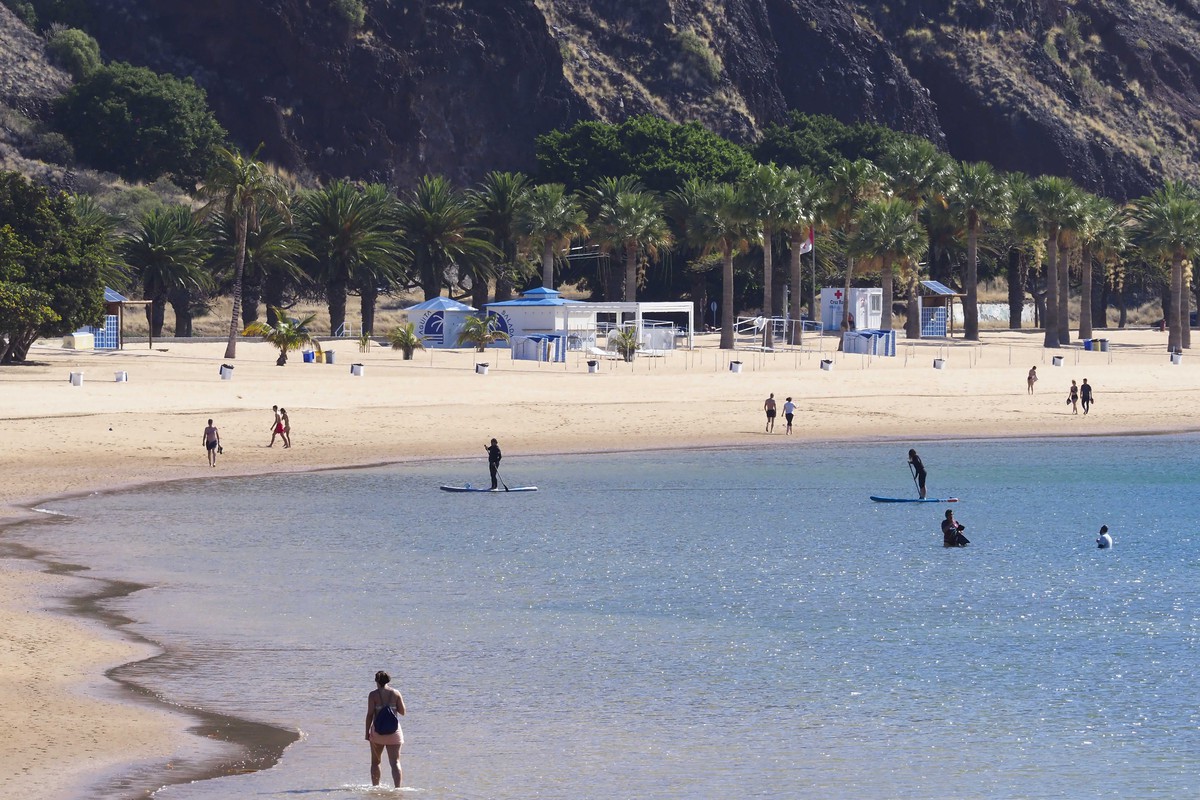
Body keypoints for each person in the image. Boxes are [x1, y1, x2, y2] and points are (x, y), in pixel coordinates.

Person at [365, 670, 406, 788]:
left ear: (376, 681)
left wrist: (366, 732)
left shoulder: (373, 695)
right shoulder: (396, 693)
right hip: (394, 733)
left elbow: (369, 715)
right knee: (395, 762)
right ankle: (398, 789)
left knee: (375, 762)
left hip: (377, 733)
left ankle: (375, 788)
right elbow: (403, 712)